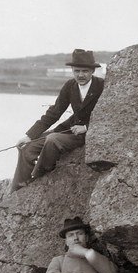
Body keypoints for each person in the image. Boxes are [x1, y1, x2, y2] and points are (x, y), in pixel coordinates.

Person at [11, 49, 105, 191]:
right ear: (72, 70)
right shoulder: (70, 86)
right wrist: (29, 135)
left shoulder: (102, 86)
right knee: (28, 147)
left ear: (92, 71)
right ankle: (19, 187)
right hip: (69, 130)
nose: (80, 75)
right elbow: (54, 113)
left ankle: (37, 178)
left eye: (85, 71)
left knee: (53, 139)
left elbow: (109, 115)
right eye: (77, 71)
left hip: (88, 134)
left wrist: (86, 127)